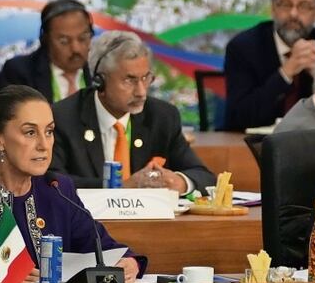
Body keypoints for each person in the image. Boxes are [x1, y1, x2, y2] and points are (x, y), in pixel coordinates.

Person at [0, 85, 143, 283]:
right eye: (30, 133)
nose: (44, 145)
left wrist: (129, 262)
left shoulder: (57, 188)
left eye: (49, 131)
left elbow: (104, 247)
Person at [50, 31, 215, 192]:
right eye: (129, 80)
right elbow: (52, 180)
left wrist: (178, 181)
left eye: (145, 78)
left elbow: (204, 176)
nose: (141, 92)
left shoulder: (162, 116)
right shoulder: (63, 117)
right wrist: (120, 187)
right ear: (99, 82)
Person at [223, 0, 315, 131]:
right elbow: (240, 116)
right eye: (285, 4)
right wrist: (286, 72)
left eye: (304, 6)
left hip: (314, 148)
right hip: (252, 148)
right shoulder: (243, 48)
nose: (293, 14)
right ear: (273, 8)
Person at [0, 0, 93, 102]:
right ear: (45, 39)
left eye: (83, 38)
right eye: (64, 41)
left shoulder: (102, 70)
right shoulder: (18, 73)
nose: (76, 49)